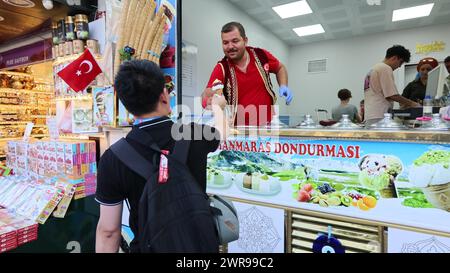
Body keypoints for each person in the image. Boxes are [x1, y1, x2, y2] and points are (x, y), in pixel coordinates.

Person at [95, 60, 228, 253]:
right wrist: (218, 106)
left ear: (126, 106)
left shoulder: (113, 158)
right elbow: (223, 133)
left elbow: (108, 231)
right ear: (164, 96)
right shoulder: (193, 134)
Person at [201, 22, 293, 126]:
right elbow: (207, 94)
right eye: (225, 43)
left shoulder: (261, 55)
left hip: (268, 126)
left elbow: (280, 68)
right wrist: (208, 100)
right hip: (239, 132)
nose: (230, 46)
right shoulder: (221, 68)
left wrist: (283, 85)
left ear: (245, 40)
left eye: (235, 41)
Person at [363, 45, 421, 126]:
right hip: (380, 115)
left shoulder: (374, 68)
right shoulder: (385, 68)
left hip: (371, 114)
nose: (400, 66)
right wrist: (413, 104)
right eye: (400, 62)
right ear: (394, 58)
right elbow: (392, 95)